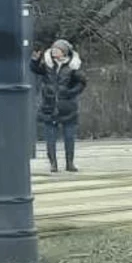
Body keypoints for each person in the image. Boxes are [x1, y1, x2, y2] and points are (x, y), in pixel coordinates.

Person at [31, 39, 86, 173]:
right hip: (49, 104)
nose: (54, 51)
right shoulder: (47, 64)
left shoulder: (73, 67)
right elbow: (35, 69)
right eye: (54, 49)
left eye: (58, 49)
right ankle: (53, 164)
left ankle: (69, 163)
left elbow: (82, 82)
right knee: (50, 137)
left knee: (69, 136)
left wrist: (70, 92)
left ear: (64, 52)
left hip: (67, 106)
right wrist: (35, 60)